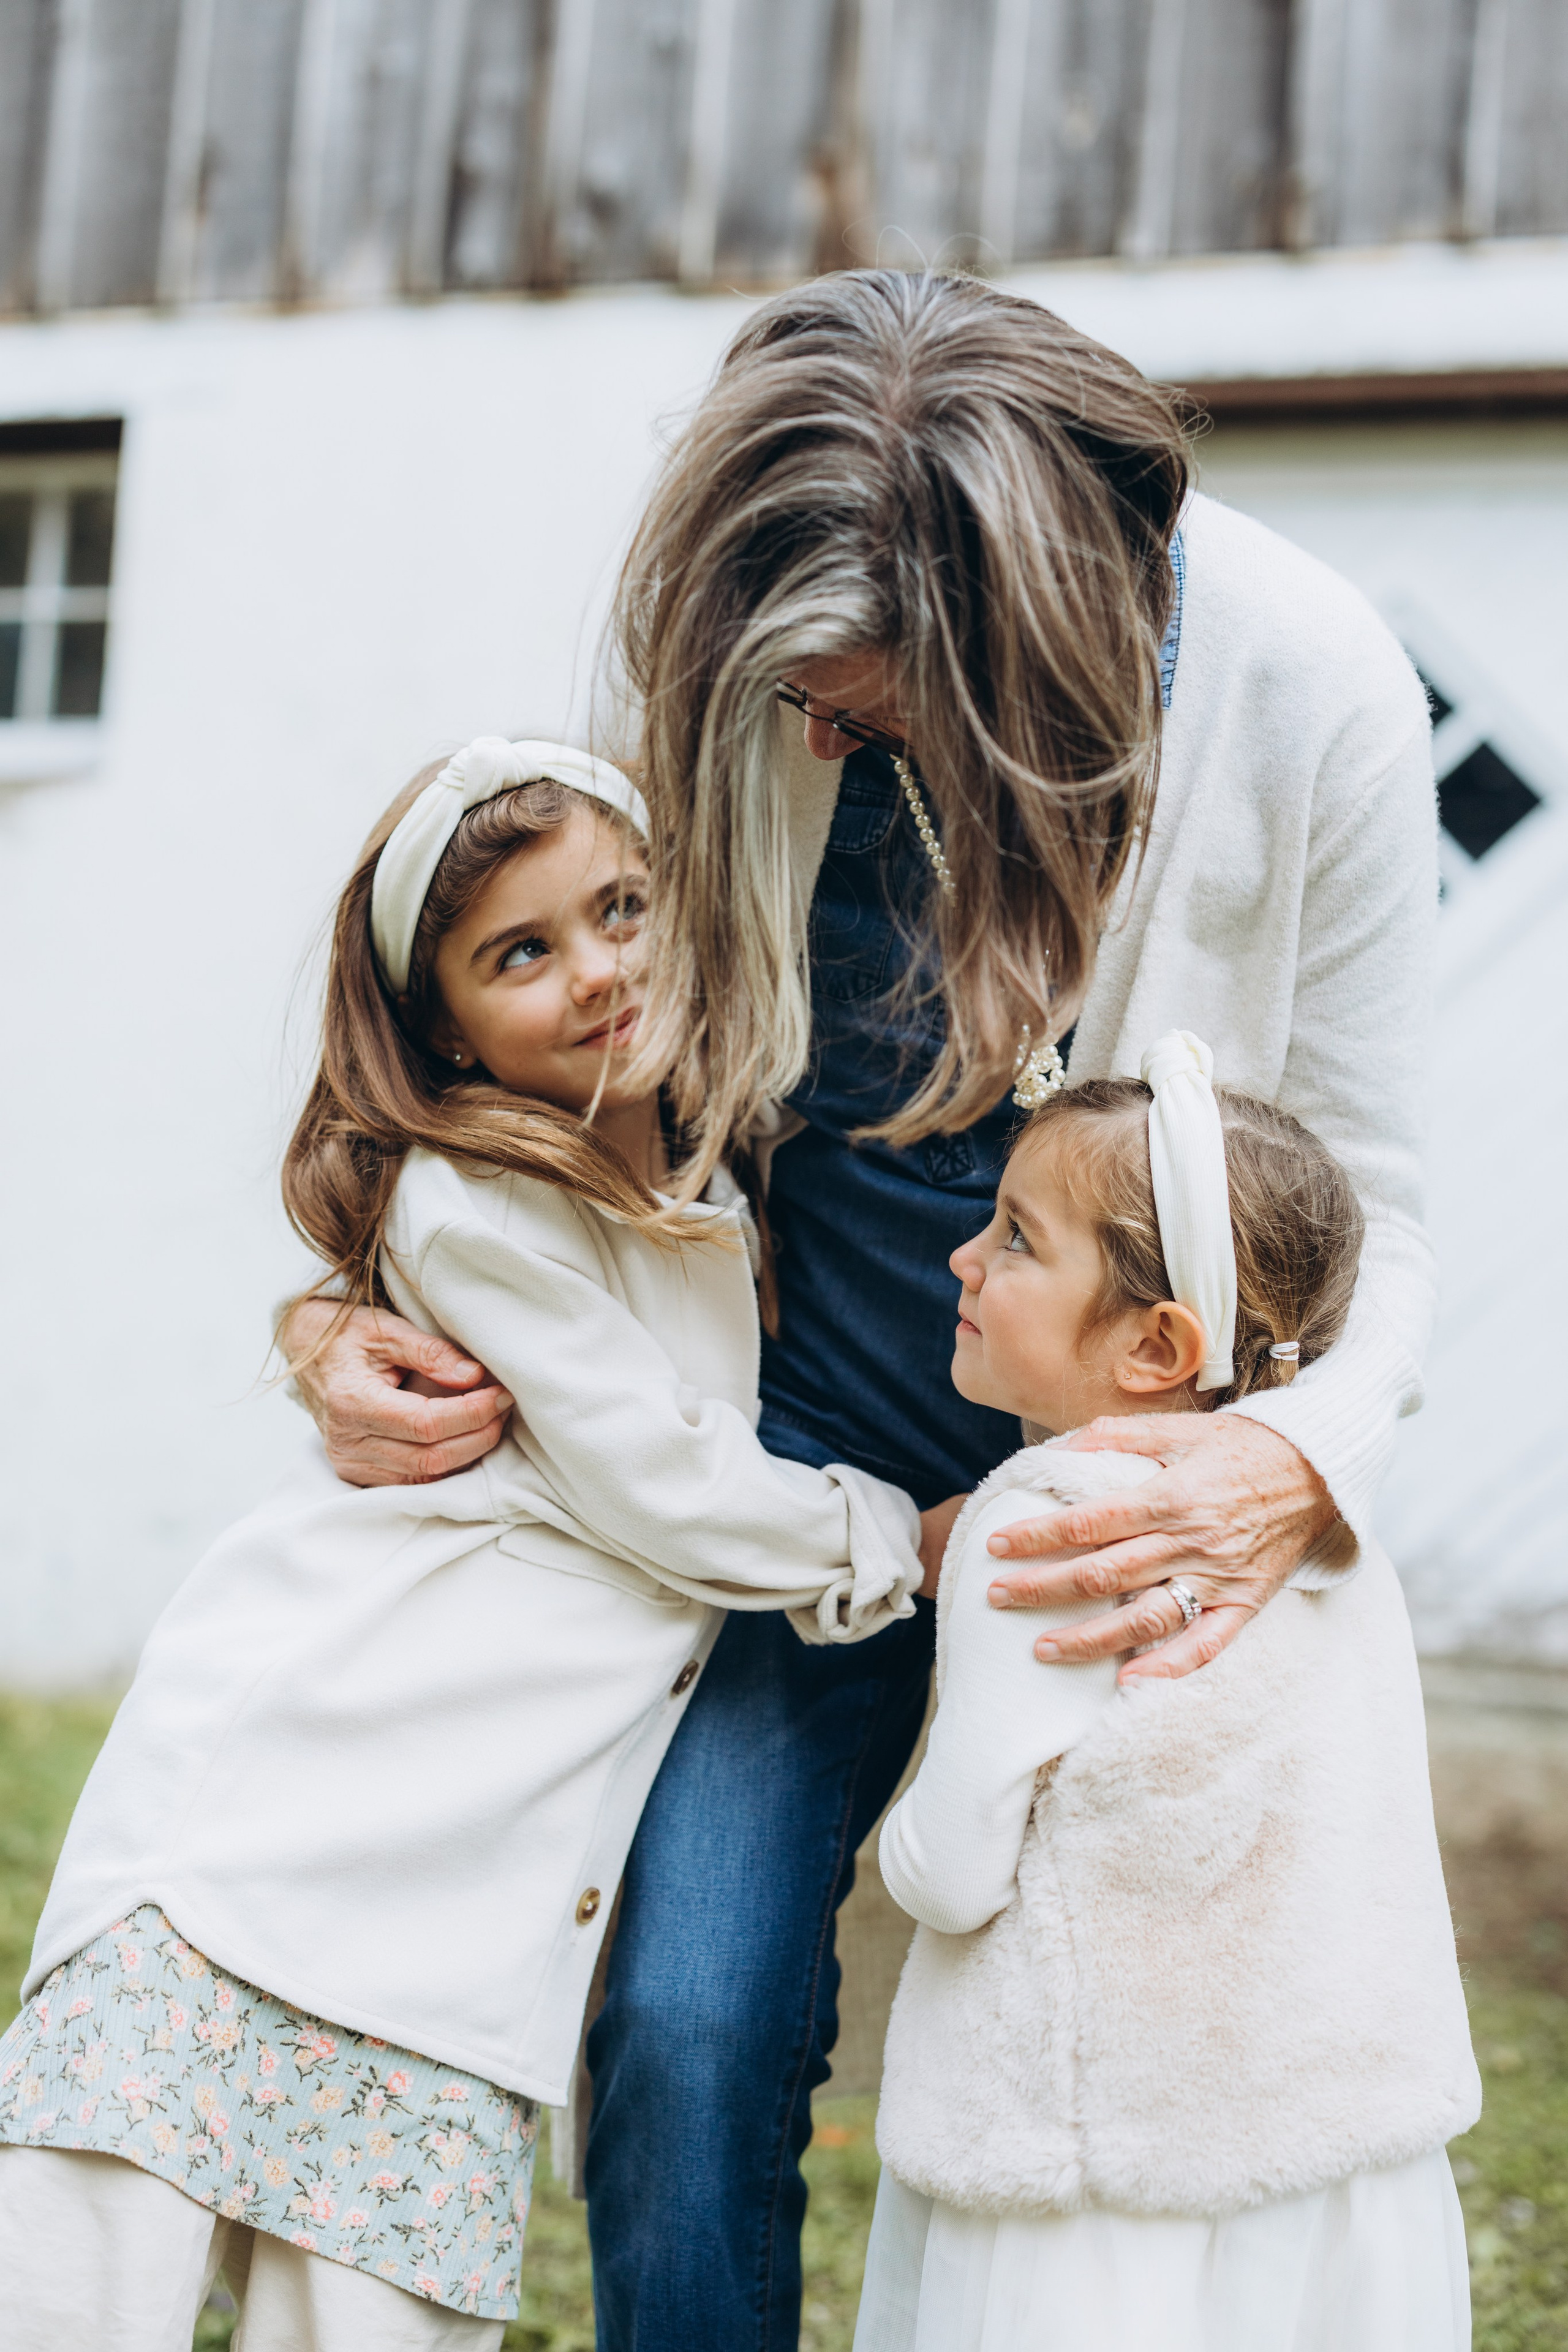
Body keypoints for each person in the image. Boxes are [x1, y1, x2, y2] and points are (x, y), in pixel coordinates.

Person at [278, 270, 1440, 2351]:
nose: (810, 735)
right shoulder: (764, 660)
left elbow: (1383, 1205)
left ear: (1050, 642)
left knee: (1185, 2101)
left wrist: (1276, 1462)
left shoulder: (1319, 683)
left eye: (864, 705)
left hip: (1140, 1506)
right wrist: (332, 1309)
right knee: (685, 2022)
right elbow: (512, 1043)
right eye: (787, 694)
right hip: (800, 1490)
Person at [0, 738, 921, 2351]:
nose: (599, 971)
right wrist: (903, 1533)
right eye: (524, 951)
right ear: (443, 1029)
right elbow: (674, 1486)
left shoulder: (714, 1160)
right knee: (77, 2284)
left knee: (376, 2306)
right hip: (272, 1827)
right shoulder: (471, 1202)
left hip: (458, 1914)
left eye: (623, 908)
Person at [855, 1035, 1477, 2352]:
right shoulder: (1314, 1524)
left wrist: (891, 1842)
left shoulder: (1050, 1521)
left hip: (1092, 2177)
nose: (964, 1261)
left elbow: (952, 1870)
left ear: (1154, 1343)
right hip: (1314, 2141)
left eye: (1016, 1240)